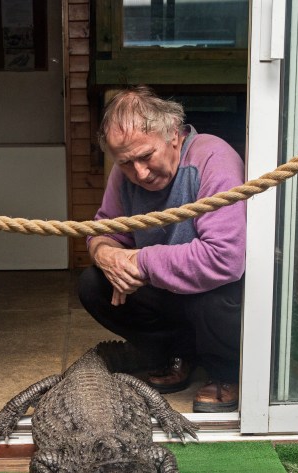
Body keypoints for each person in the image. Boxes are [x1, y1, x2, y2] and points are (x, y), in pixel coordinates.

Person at [77, 86, 246, 412]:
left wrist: (140, 261)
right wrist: (106, 254)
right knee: (93, 283)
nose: (139, 173)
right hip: (168, 287)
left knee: (217, 297)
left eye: (145, 157)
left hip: (218, 290)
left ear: (173, 135)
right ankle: (177, 353)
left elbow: (225, 258)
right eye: (126, 163)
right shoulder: (124, 174)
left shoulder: (214, 158)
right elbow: (105, 231)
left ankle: (227, 371)